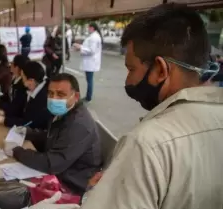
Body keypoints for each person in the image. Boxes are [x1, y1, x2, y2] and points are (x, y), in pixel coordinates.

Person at [77, 3, 223, 209]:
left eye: (131, 69)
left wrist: (93, 196)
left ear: (161, 70)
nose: (128, 80)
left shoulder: (148, 143)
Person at [6, 73, 102, 195]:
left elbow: (52, 164)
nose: (54, 98)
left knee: (11, 191)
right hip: (62, 173)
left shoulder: (78, 124)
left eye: (60, 94)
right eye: (50, 93)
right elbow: (51, 137)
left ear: (76, 96)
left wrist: (17, 151)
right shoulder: (64, 113)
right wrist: (28, 133)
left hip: (72, 185)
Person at [0, 61, 52, 130]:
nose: (22, 80)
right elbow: (20, 112)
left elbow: (27, 122)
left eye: (23, 77)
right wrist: (3, 113)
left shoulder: (42, 97)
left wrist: (2, 119)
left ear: (31, 80)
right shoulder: (34, 89)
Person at [73, 23, 102, 102]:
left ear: (92, 28)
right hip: (90, 62)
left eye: (88, 27)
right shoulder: (93, 36)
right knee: (89, 79)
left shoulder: (94, 37)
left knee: (89, 80)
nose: (87, 29)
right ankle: (88, 96)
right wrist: (81, 47)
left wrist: (80, 47)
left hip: (91, 62)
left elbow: (91, 51)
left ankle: (88, 96)